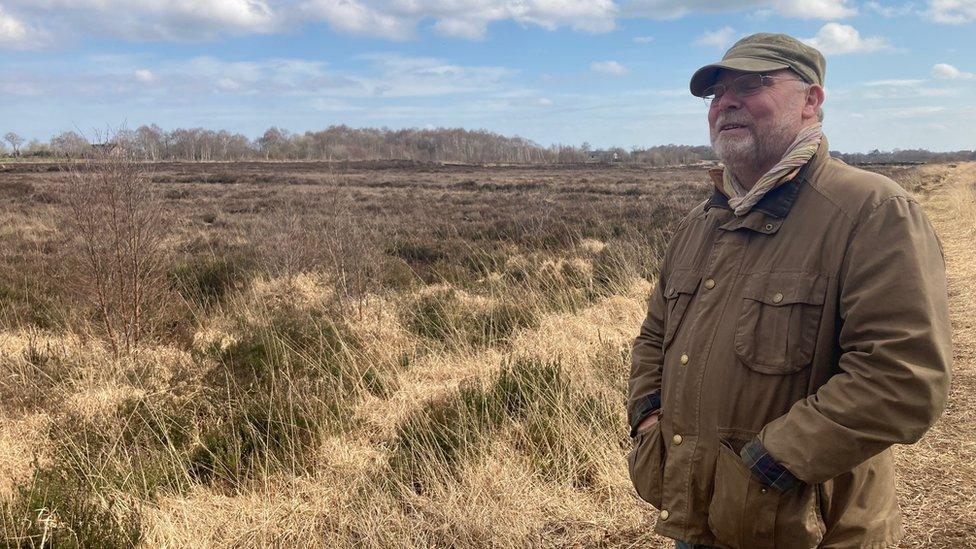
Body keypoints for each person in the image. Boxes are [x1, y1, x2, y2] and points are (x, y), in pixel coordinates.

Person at [625, 32, 952, 549]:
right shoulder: (702, 223)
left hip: (808, 532)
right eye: (717, 93)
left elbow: (903, 379)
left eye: (752, 84)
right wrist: (647, 415)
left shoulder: (872, 211)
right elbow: (654, 335)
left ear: (811, 101)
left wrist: (768, 463)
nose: (726, 102)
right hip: (696, 518)